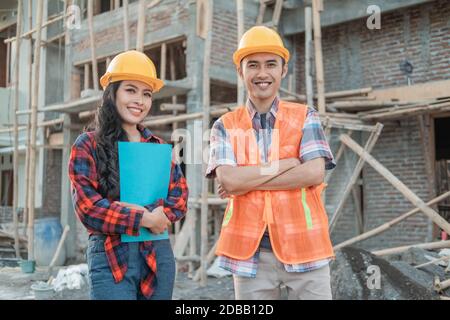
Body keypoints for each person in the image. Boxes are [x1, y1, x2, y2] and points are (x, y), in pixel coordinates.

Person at [206, 26, 336, 300]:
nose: (262, 73)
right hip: (249, 253)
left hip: (305, 245)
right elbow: (229, 181)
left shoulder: (305, 116)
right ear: (240, 72)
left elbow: (314, 172)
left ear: (283, 70)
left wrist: (246, 182)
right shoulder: (225, 125)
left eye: (270, 64)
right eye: (252, 65)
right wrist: (287, 163)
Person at [68, 50, 188, 300]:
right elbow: (88, 208)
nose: (140, 100)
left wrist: (155, 215)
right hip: (112, 257)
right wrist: (145, 218)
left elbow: (180, 197)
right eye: (130, 90)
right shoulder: (87, 145)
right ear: (112, 93)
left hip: (157, 255)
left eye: (146, 94)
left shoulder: (158, 148)